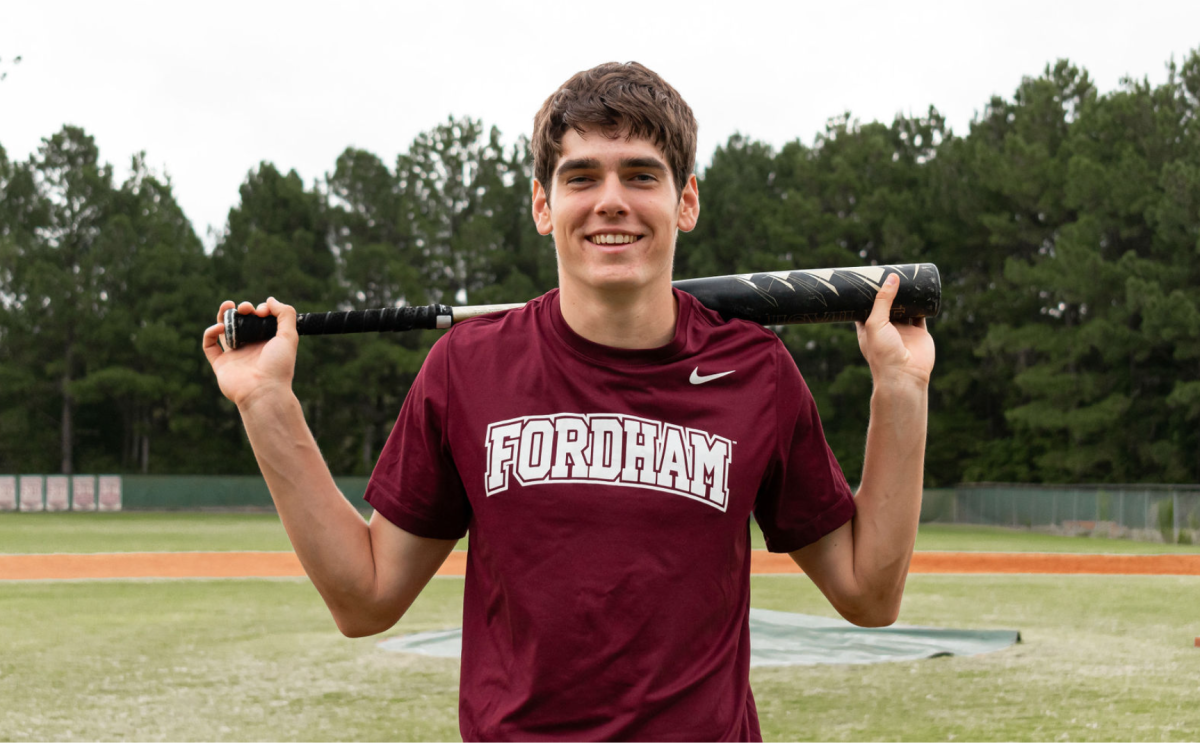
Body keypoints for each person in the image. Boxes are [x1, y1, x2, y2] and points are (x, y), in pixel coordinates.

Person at [202, 61, 934, 742]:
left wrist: (902, 391)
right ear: (543, 206)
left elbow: (870, 595)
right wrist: (267, 401)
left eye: (640, 175)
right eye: (581, 177)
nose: (610, 201)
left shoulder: (757, 374)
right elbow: (365, 599)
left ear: (685, 201)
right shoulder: (468, 367)